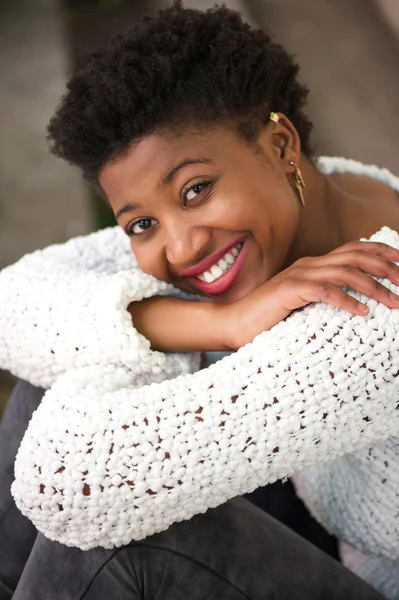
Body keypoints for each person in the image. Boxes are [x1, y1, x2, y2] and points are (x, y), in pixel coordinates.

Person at [0, 2, 399, 598]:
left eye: (196, 190)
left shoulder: (375, 305)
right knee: (76, 357)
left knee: (107, 533)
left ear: (281, 144)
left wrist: (147, 345)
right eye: (140, 225)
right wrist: (223, 321)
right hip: (320, 510)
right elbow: (10, 301)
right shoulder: (334, 187)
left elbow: (61, 482)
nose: (181, 248)